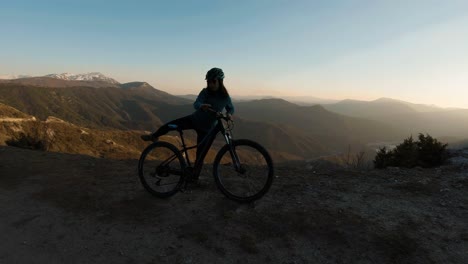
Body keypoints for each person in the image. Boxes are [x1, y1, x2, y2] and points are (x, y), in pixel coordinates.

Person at [141, 67, 235, 178]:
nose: (211, 84)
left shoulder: (225, 97)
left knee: (200, 156)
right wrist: (201, 106)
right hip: (193, 120)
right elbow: (196, 103)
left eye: (213, 81)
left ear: (220, 81)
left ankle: (193, 178)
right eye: (208, 81)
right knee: (170, 125)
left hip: (207, 130)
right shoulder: (205, 92)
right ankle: (154, 136)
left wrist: (229, 114)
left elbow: (231, 108)